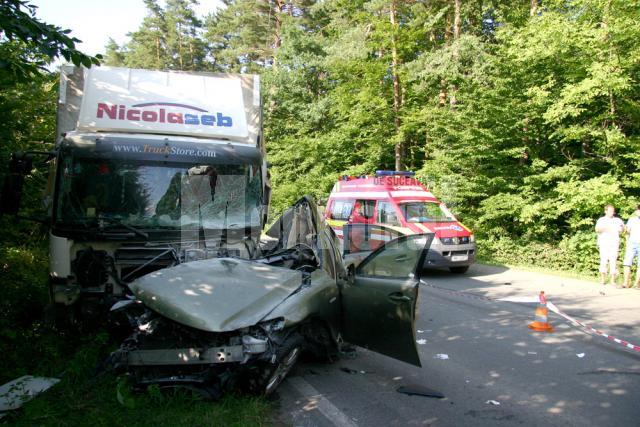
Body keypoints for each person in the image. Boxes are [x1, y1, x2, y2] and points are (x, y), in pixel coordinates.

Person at [595, 204, 625, 285]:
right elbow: (597, 229)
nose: (612, 212)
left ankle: (612, 280)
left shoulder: (617, 220)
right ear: (606, 211)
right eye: (610, 211)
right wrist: (605, 228)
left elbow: (622, 229)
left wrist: (622, 228)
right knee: (603, 260)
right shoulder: (601, 220)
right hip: (604, 243)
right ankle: (603, 279)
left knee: (613, 260)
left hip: (614, 243)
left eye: (613, 211)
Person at [622, 205, 640, 288]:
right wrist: (627, 241)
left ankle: (637, 283)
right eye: (638, 210)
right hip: (632, 243)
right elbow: (627, 231)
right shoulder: (632, 219)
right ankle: (626, 283)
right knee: (627, 263)